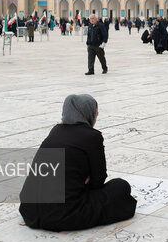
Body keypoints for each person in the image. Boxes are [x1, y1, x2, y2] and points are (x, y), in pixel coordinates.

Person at [19, 94, 137, 232]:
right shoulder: (92, 137)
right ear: (88, 113)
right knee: (120, 186)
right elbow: (98, 181)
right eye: (96, 114)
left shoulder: (56, 131)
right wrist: (83, 181)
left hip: (29, 210)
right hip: (63, 214)